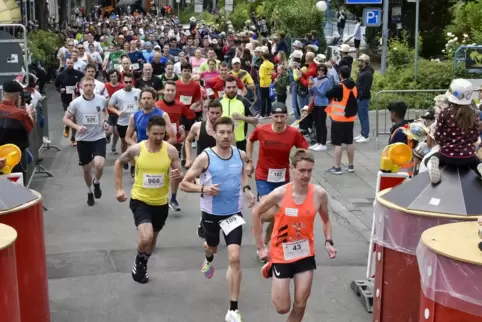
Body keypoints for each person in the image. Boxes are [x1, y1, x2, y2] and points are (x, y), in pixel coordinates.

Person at [180, 116, 256, 322]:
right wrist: (204, 188)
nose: (225, 136)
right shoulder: (205, 157)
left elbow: (242, 175)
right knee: (211, 247)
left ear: (233, 133)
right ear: (214, 133)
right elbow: (184, 184)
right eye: (221, 132)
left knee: (234, 258)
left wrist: (247, 189)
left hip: (233, 214)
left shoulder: (240, 155)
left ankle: (233, 309)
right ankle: (209, 258)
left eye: (228, 132)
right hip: (211, 214)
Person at [252, 148, 336, 322]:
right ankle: (271, 267)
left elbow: (326, 220)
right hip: (281, 254)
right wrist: (261, 246)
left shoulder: (319, 194)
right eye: (302, 171)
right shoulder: (280, 194)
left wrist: (328, 241)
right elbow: (256, 213)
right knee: (282, 308)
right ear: (292, 169)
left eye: (309, 171)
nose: (306, 175)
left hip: (305, 253)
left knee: (300, 304)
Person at [114, 115, 183, 284]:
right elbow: (118, 163)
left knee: (152, 239)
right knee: (146, 237)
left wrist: (177, 175)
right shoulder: (137, 149)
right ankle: (139, 259)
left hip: (160, 202)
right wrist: (119, 189)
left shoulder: (170, 151)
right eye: (155, 134)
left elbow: (179, 173)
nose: (159, 137)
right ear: (147, 132)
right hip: (140, 199)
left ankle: (143, 262)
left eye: (161, 134)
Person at [245, 102, 308, 257]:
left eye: (282, 116)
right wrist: (249, 161)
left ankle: (266, 243)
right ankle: (258, 217)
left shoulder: (293, 133)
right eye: (276, 116)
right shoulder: (262, 130)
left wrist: (298, 165)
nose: (279, 120)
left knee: (279, 211)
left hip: (282, 178)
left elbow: (304, 150)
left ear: (287, 116)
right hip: (263, 176)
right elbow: (250, 140)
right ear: (271, 116)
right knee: (268, 212)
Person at [63, 76, 109, 206]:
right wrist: (77, 127)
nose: (88, 88)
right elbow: (66, 119)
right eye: (86, 85)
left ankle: (97, 182)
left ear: (94, 86)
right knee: (87, 170)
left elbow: (106, 111)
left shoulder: (101, 100)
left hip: (98, 137)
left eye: (90, 85)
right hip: (83, 140)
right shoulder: (75, 103)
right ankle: (90, 191)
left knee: (99, 164)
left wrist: (105, 121)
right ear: (81, 87)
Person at [428, 78, 482, 184]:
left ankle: (434, 165)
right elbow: (475, 138)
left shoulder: (444, 113)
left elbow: (438, 135)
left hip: (447, 156)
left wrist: (446, 144)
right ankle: (480, 167)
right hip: (468, 157)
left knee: (432, 157)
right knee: (477, 162)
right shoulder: (474, 115)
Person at [155, 81, 190, 211]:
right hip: (158, 143)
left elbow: (187, 119)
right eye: (168, 90)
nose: (170, 93)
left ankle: (173, 199)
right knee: (160, 171)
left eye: (172, 90)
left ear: (176, 92)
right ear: (163, 91)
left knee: (176, 172)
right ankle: (159, 197)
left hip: (175, 142)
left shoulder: (180, 105)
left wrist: (183, 128)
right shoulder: (157, 106)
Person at [324, 65, 358, 175]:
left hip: (338, 119)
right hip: (350, 118)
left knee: (337, 143)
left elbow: (327, 94)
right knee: (349, 142)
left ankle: (337, 167)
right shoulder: (354, 86)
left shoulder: (339, 87)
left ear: (340, 75)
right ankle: (351, 165)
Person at [0, 80, 35, 181]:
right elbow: (29, 128)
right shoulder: (20, 114)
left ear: (3, 93)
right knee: (17, 187)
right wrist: (28, 113)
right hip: (15, 156)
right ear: (17, 95)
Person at [107, 72, 141, 177]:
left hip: (136, 122)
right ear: (122, 81)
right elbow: (109, 106)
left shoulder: (138, 92)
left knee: (133, 143)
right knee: (124, 143)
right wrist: (117, 112)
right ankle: (124, 158)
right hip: (122, 122)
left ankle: (133, 166)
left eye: (130, 82)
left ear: (133, 81)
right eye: (126, 82)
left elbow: (143, 102)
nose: (128, 84)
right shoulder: (117, 94)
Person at [355, 54, 374, 143]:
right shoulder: (363, 71)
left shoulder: (367, 73)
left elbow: (366, 87)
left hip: (363, 98)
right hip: (360, 97)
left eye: (360, 61)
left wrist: (361, 96)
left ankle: (365, 135)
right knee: (361, 116)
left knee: (364, 116)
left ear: (365, 62)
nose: (358, 62)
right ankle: (362, 133)